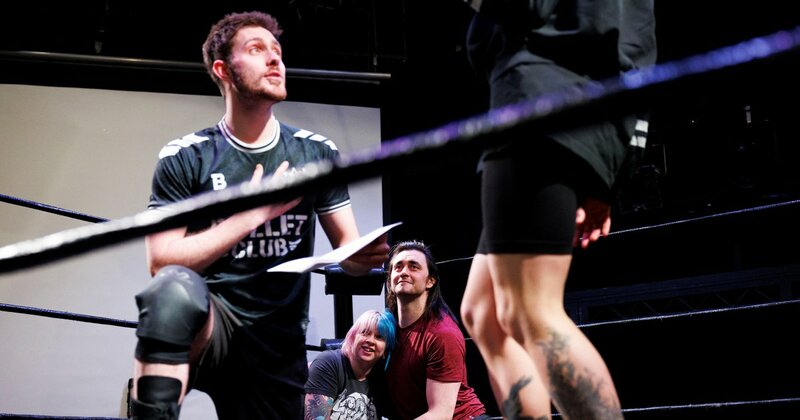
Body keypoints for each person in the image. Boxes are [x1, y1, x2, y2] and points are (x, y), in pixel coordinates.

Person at [128, 11, 389, 420]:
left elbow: (348, 252)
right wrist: (250, 214)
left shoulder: (315, 153)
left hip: (277, 342)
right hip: (212, 324)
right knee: (171, 293)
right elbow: (160, 260)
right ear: (223, 70)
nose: (274, 59)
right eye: (256, 49)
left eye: (277, 51)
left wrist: (363, 257)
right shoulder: (187, 156)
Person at [459, 1, 657, 419]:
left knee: (531, 311)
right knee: (483, 312)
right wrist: (612, 167)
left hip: (538, 96)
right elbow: (636, 47)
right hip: (577, 102)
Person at [384, 240, 490, 419]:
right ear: (390, 280)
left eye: (413, 267)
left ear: (430, 281)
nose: (403, 272)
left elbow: (441, 414)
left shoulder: (442, 333)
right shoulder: (387, 329)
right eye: (398, 267)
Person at [304, 309, 396, 419]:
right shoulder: (328, 363)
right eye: (365, 333)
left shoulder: (382, 379)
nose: (370, 341)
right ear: (352, 337)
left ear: (386, 348)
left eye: (379, 337)